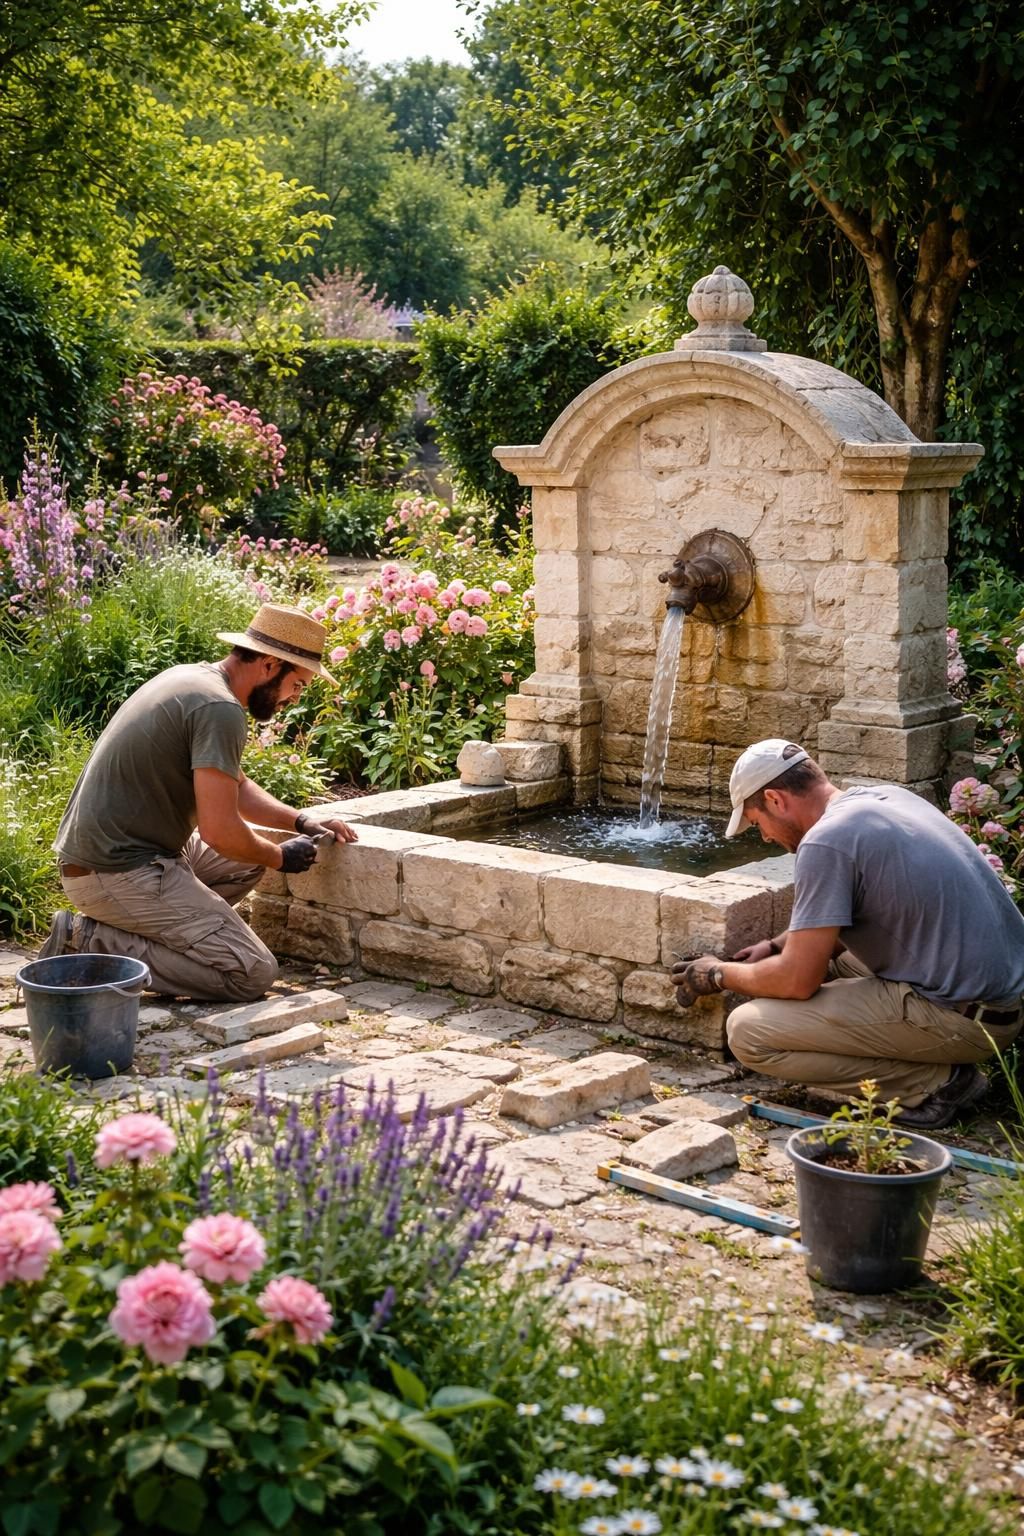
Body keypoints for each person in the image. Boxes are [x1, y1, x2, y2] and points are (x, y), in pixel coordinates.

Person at [672, 739, 1024, 1129]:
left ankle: (938, 1083)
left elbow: (796, 981)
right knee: (834, 963)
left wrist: (717, 973)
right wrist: (774, 946)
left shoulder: (826, 841)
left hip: (966, 1020)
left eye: (758, 824)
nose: (767, 837)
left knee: (749, 1032)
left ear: (775, 799)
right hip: (1000, 999)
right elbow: (859, 911)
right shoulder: (884, 799)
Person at [39, 603, 358, 1002]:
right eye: (297, 685)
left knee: (245, 863)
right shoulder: (219, 709)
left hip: (120, 855)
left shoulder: (196, 680)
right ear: (270, 666)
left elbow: (237, 789)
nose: (293, 699)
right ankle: (86, 940)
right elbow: (220, 831)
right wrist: (279, 857)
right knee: (251, 972)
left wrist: (301, 821)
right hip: (113, 871)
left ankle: (173, 935)